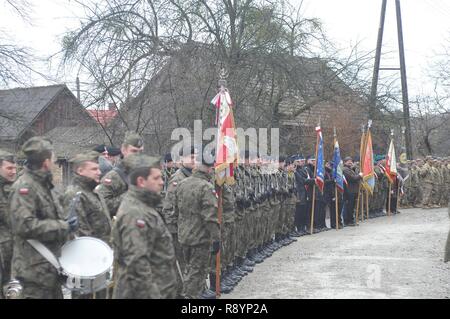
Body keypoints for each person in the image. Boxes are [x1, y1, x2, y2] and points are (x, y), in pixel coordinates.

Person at [8, 137, 77, 299]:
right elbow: (24, 226)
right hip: (34, 272)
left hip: (50, 269)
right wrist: (63, 226)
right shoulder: (24, 187)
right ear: (46, 162)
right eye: (53, 159)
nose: (54, 163)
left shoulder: (46, 186)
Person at [112, 154, 177, 299]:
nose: (161, 182)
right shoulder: (135, 213)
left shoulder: (144, 205)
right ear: (141, 181)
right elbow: (137, 266)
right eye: (156, 178)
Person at [174, 150, 220, 299]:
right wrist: (216, 238)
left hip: (184, 236)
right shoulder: (206, 187)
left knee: (189, 270)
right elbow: (210, 218)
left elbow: (175, 210)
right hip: (200, 238)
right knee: (198, 272)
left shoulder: (182, 184)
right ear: (208, 168)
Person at [63, 151, 112, 243]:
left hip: (103, 250)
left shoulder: (93, 191)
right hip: (90, 251)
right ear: (80, 171)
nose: (99, 172)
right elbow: (79, 233)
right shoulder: (74, 194)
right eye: (94, 169)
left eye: (98, 169)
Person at [97, 131, 144, 218]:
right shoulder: (114, 176)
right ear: (124, 150)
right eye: (134, 151)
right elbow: (101, 206)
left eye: (140, 151)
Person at [0, 150, 17, 299]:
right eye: (9, 168)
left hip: (10, 250)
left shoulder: (12, 188)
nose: (13, 171)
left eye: (14, 168)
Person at [342, 156, 363, 226]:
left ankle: (351, 219)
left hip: (353, 190)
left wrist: (355, 171)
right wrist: (359, 175)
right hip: (349, 191)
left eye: (351, 161)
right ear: (345, 162)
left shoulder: (351, 169)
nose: (350, 163)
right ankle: (347, 221)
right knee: (349, 207)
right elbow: (353, 178)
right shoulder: (345, 169)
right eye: (348, 161)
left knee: (352, 206)